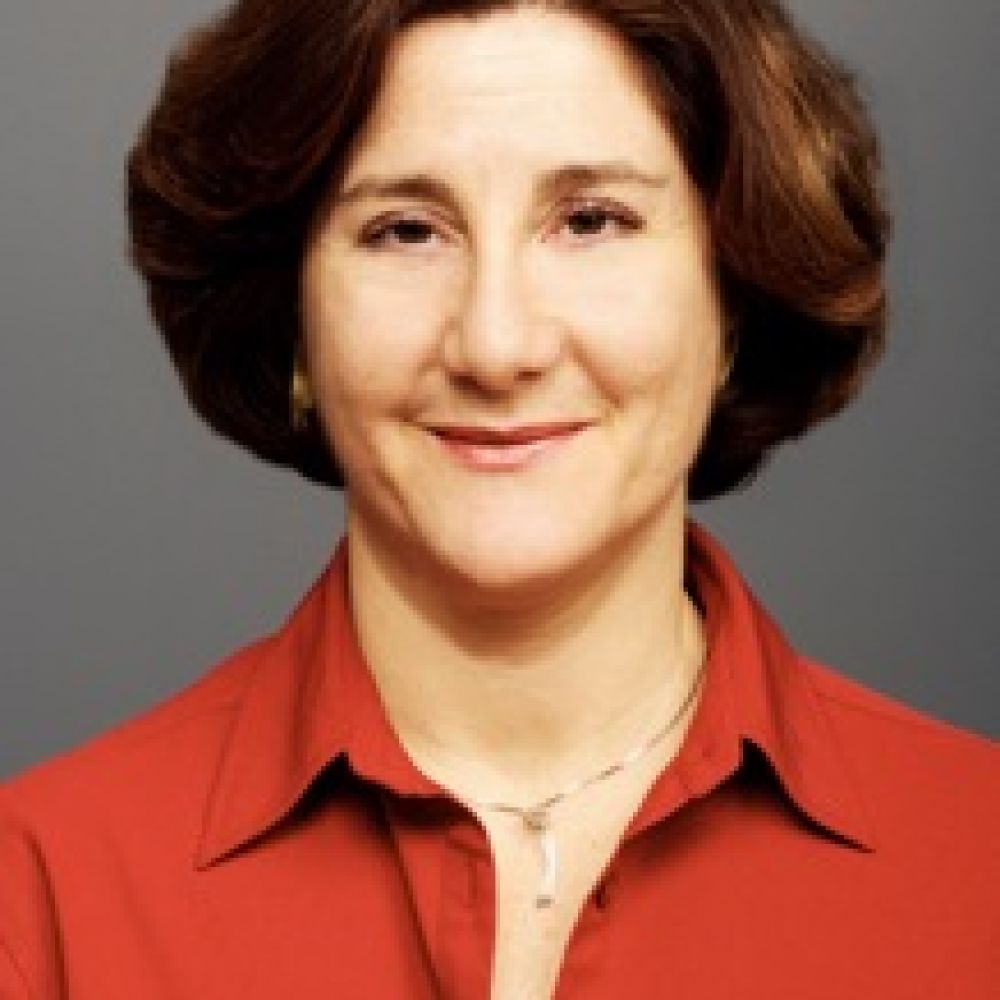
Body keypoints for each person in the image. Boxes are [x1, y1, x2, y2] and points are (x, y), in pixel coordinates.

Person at [1, 0, 997, 996]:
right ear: (291, 316)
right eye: (406, 231)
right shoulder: (44, 896)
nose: (496, 343)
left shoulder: (976, 869)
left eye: (591, 221)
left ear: (733, 295)